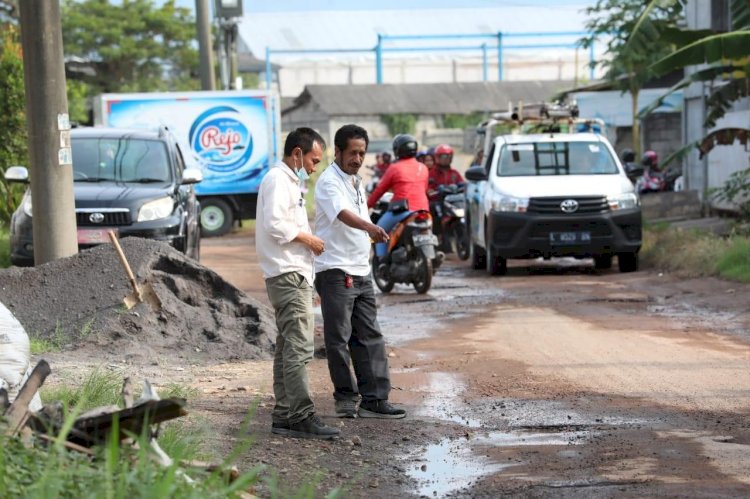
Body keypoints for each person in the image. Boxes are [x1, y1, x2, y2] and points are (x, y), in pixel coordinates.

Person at [314, 124, 406, 420]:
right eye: (352, 152)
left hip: (360, 270)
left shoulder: (356, 181)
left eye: (362, 153)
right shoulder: (328, 182)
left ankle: (375, 399)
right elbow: (342, 214)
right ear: (337, 151)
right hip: (335, 271)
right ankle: (345, 398)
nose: (357, 158)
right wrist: (370, 227)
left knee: (370, 336)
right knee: (338, 339)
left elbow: (358, 213)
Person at [255, 127, 340, 440]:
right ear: (296, 154)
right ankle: (301, 416)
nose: (314, 167)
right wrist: (310, 240)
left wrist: (310, 280)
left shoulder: (288, 181)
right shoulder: (278, 179)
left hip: (293, 273)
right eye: (313, 160)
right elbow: (275, 225)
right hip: (286, 272)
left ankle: (285, 415)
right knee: (299, 347)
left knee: (288, 345)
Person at [367, 134, 430, 259]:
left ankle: (381, 259)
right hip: (424, 210)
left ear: (397, 150)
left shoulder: (394, 168)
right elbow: (424, 189)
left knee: (379, 230)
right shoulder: (423, 168)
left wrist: (367, 205)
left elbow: (380, 190)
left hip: (402, 211)